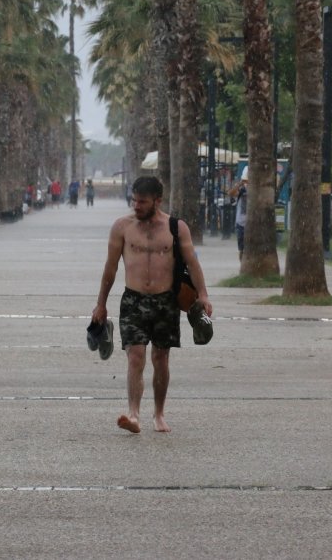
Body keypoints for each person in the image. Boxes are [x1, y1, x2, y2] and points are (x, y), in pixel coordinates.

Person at [91, 176, 212, 434]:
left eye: (142, 202)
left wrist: (203, 295)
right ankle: (133, 414)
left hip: (165, 301)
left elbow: (192, 263)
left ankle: (159, 413)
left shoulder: (176, 228)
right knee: (135, 356)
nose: (136, 206)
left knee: (161, 357)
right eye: (134, 200)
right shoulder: (122, 227)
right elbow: (110, 269)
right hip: (133, 300)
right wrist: (100, 304)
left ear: (157, 201)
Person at [228, 166, 248, 261]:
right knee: (241, 248)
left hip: (251, 223)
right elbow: (231, 193)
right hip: (240, 222)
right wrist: (239, 184)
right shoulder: (242, 190)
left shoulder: (255, 190)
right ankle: (242, 264)